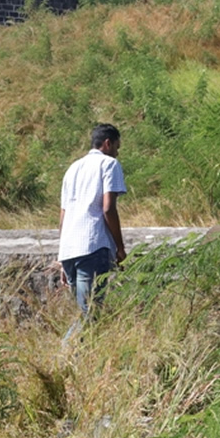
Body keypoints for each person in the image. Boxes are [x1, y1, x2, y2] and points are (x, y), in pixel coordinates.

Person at [58, 123, 127, 317]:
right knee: (90, 315)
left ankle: (73, 348)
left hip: (70, 249)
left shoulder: (72, 169)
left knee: (84, 313)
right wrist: (120, 247)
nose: (117, 153)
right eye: (117, 147)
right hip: (92, 246)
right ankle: (66, 348)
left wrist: (62, 257)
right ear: (107, 143)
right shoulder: (109, 164)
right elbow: (108, 208)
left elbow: (63, 216)